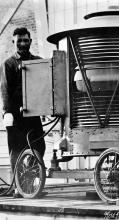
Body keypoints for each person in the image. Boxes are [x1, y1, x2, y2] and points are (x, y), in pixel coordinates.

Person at [0, 27, 46, 198]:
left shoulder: (38, 62)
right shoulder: (8, 64)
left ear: (30, 42)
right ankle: (19, 188)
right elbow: (5, 90)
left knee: (38, 147)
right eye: (19, 40)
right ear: (14, 42)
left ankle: (31, 186)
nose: (22, 43)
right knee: (17, 150)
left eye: (25, 40)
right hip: (16, 116)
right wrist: (7, 113)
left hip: (33, 114)